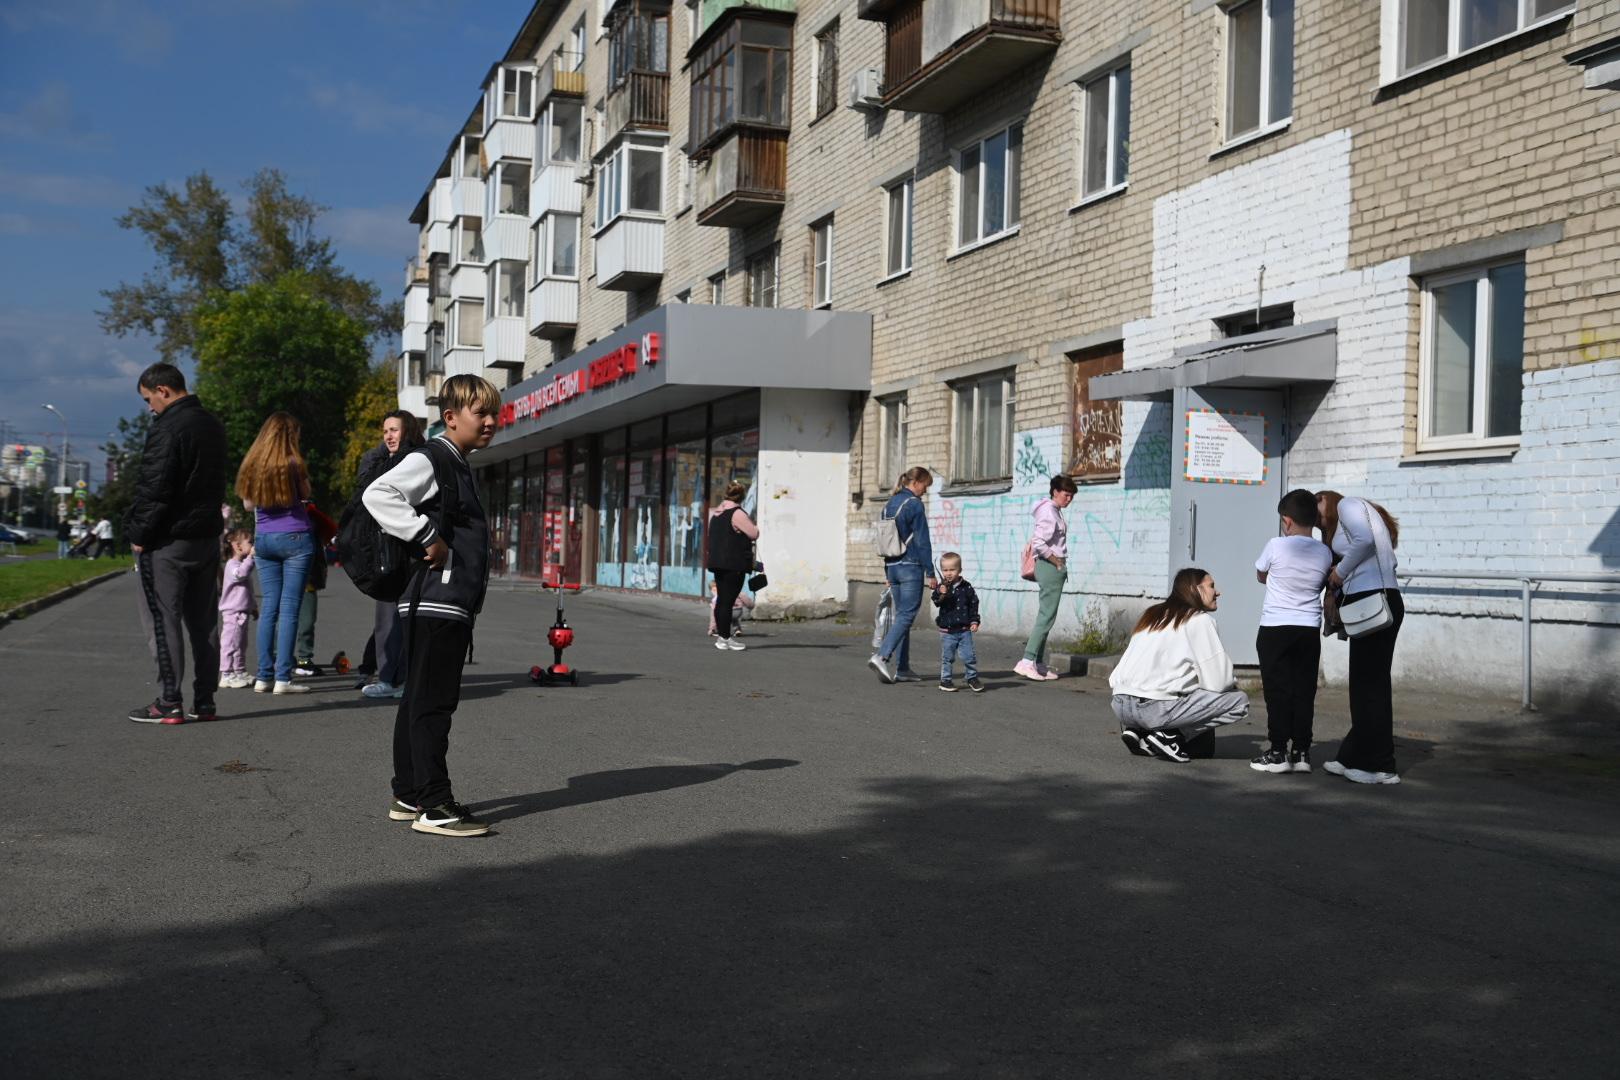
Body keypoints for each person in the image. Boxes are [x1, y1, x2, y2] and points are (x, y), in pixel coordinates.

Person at [362, 374, 499, 837]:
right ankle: (436, 806)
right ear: (450, 417)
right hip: (436, 601)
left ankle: (409, 792)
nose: (491, 422)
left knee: (418, 700)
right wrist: (427, 537)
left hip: (439, 602)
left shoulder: (455, 461)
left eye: (494, 413)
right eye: (481, 413)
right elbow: (378, 493)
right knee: (434, 703)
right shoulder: (435, 457)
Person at [124, 362, 228, 725]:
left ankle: (170, 701)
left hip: (168, 541)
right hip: (206, 538)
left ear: (164, 390)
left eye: (149, 399)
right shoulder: (213, 425)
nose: (149, 407)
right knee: (204, 625)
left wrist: (139, 534)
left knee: (162, 621)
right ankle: (205, 701)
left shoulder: (168, 427)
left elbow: (156, 488)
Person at [1109, 568, 1249, 762]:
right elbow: (1219, 683)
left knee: (1177, 685)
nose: (1218, 592)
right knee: (1239, 702)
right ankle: (1170, 736)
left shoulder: (1152, 614)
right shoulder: (1199, 620)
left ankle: (1141, 733)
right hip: (1153, 708)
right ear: (1195, 589)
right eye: (1212, 586)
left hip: (1120, 704)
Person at [1317, 490, 1404, 785]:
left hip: (1376, 599)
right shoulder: (1342, 521)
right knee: (1365, 684)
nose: (1315, 511)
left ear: (1328, 498)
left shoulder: (1348, 505)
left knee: (1370, 685)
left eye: (1317, 501)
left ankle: (1381, 766)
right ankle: (1352, 755)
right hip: (1369, 601)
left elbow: (1365, 541)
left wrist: (1339, 572)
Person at [1252, 489, 1333, 774]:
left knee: (1277, 690)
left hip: (1275, 627)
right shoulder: (1325, 552)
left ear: (1286, 521)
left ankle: (1277, 752)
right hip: (1308, 629)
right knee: (1303, 690)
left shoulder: (1275, 545)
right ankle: (1301, 752)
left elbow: (1261, 574)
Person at [236, 412, 316, 695]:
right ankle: (283, 678)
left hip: (264, 539)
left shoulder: (253, 464)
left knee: (269, 606)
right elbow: (306, 493)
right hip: (295, 537)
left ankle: (263, 677)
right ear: (289, 436)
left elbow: (247, 505)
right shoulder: (294, 463)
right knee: (290, 609)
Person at [356, 410, 424, 697]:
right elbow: (363, 492)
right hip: (384, 551)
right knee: (385, 618)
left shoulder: (420, 460)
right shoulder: (378, 460)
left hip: (412, 550)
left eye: (394, 430)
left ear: (407, 430)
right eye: (385, 431)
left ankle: (408, 680)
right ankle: (385, 677)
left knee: (410, 618)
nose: (388, 436)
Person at [869, 467, 937, 684]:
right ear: (916, 482)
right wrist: (930, 572)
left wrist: (887, 571)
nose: (925, 492)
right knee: (907, 614)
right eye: (925, 486)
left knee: (902, 618)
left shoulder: (889, 504)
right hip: (910, 565)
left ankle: (903, 668)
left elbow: (884, 540)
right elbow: (922, 541)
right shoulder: (914, 504)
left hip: (893, 566)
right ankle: (882, 656)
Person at [1017, 474, 1077, 681]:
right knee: (1046, 616)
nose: (1069, 499)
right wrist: (1057, 562)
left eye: (1071, 496)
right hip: (1051, 567)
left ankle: (1038, 663)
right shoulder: (1050, 512)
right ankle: (1027, 661)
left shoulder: (1051, 510)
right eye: (1066, 495)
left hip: (1049, 567)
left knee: (1046, 615)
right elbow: (1040, 543)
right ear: (1055, 492)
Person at [705, 480, 760, 652]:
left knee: (722, 600)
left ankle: (723, 638)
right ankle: (725, 638)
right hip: (733, 564)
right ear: (741, 497)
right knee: (727, 601)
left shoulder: (717, 513)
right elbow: (754, 533)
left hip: (718, 563)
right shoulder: (737, 513)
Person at [292, 502, 338, 678]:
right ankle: (282, 658)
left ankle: (303, 659)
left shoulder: (311, 513)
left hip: (307, 579)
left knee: (306, 621)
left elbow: (329, 530)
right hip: (291, 576)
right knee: (287, 621)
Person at [931, 551, 982, 693]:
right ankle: (945, 681)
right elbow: (936, 601)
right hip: (947, 630)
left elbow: (974, 604)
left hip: (964, 629)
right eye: (945, 570)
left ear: (959, 570)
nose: (948, 573)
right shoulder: (942, 587)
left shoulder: (967, 587)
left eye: (952, 570)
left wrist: (974, 621)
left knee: (969, 656)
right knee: (947, 657)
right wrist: (940, 593)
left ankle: (971, 677)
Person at [218, 529, 257, 689]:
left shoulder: (241, 564)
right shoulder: (232, 565)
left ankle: (239, 671)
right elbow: (240, 575)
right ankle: (226, 674)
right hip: (233, 613)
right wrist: (251, 557)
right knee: (230, 644)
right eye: (250, 542)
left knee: (241, 644)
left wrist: (253, 606)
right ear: (237, 546)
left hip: (243, 611)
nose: (253, 545)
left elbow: (248, 589)